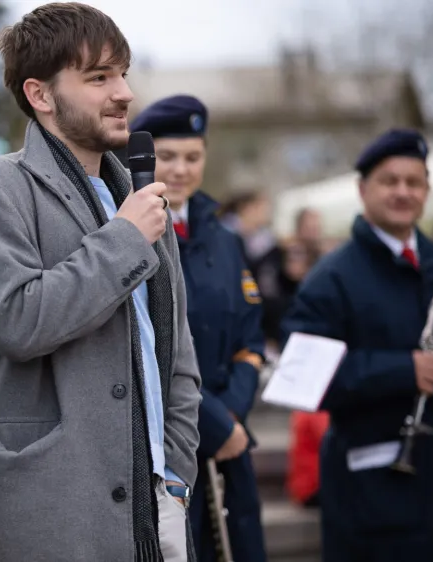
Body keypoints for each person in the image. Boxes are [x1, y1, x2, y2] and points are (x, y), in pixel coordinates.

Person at [0, 3, 202, 561]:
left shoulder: (140, 199)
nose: (123, 93)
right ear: (41, 95)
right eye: (98, 78)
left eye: (122, 73)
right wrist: (124, 240)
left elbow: (178, 357)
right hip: (56, 515)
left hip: (159, 505)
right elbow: (18, 321)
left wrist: (177, 471)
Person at [281, 128, 433, 562]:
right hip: (373, 500)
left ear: (427, 191)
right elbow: (303, 378)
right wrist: (400, 371)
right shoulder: (332, 278)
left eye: (414, 183)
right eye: (389, 181)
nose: (403, 192)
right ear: (363, 189)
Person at [130, 94, 267, 562]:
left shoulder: (224, 237)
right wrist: (212, 422)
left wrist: (232, 417)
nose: (183, 169)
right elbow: (146, 345)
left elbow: (251, 337)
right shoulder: (130, 230)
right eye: (168, 156)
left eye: (193, 157)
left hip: (231, 441)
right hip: (171, 442)